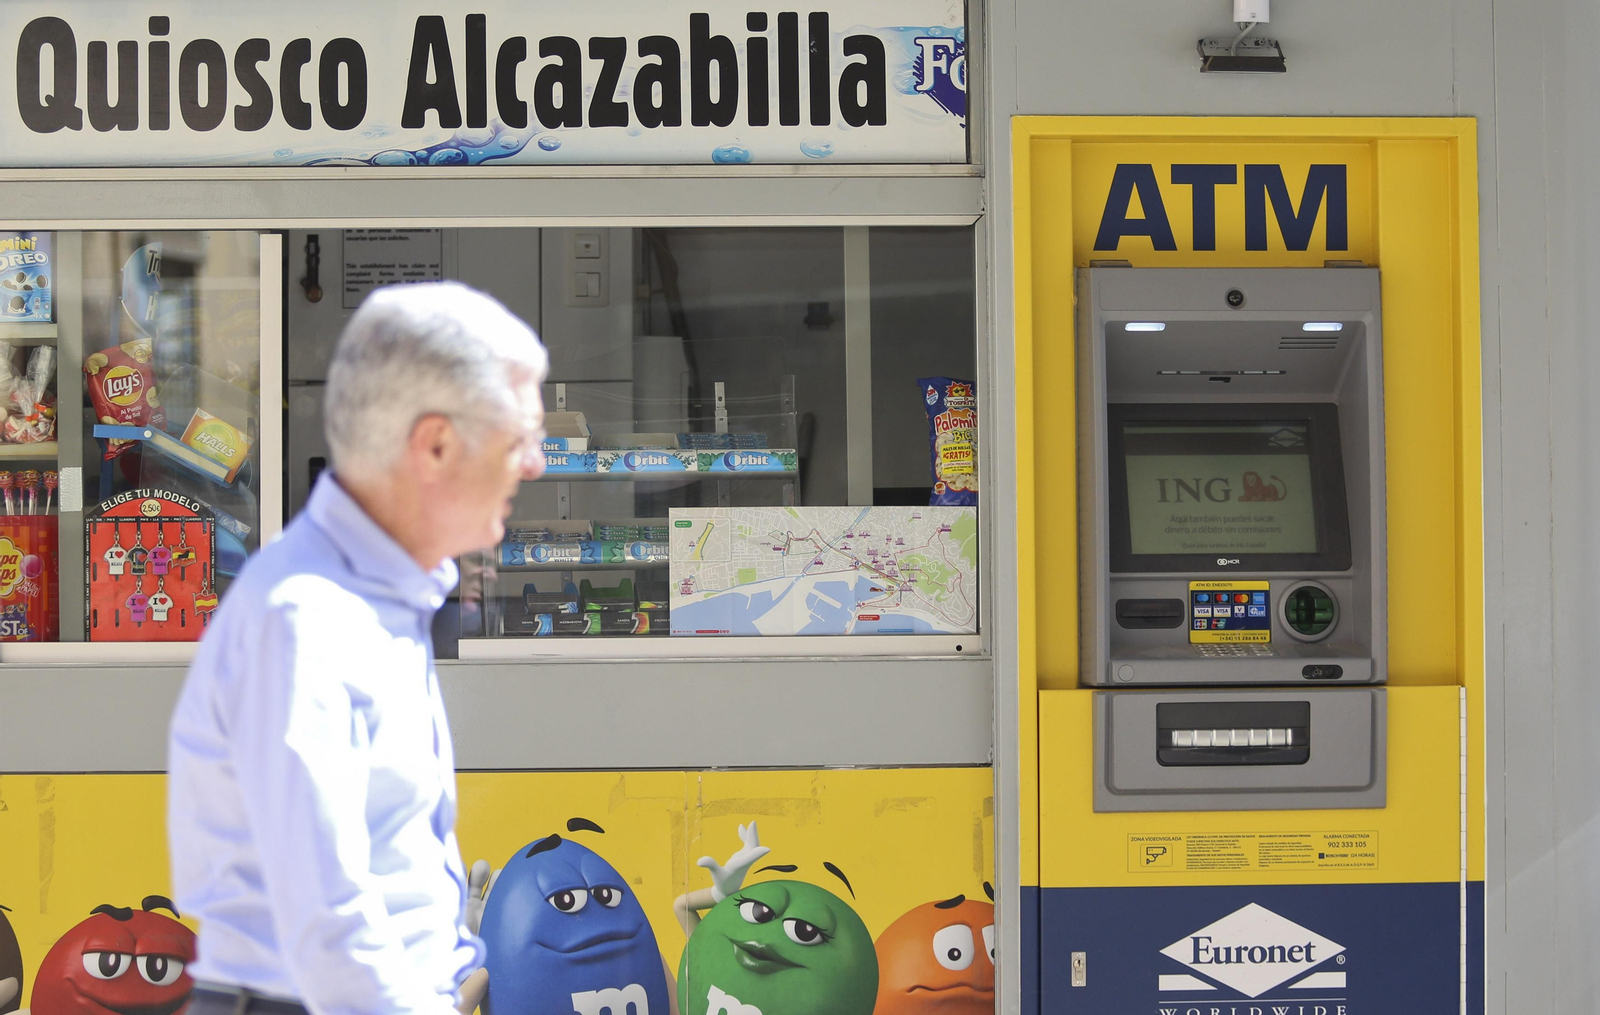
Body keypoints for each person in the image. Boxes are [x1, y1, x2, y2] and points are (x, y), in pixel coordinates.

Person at [166, 282, 548, 1015]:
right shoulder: (307, 619)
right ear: (435, 444)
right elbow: (323, 909)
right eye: (518, 436)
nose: (533, 462)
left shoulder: (377, 601)